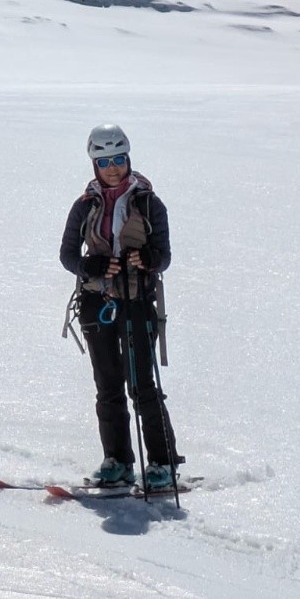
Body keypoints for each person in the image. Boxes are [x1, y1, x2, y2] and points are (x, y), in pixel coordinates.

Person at [58, 124, 182, 492]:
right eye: (105, 161)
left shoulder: (148, 202)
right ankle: (117, 461)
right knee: (108, 384)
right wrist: (88, 266)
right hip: (97, 301)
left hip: (136, 301)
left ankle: (162, 463)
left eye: (118, 160)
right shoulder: (84, 206)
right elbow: (67, 254)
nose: (112, 168)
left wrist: (146, 259)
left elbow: (165, 256)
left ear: (128, 159)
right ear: (94, 163)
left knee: (143, 385)